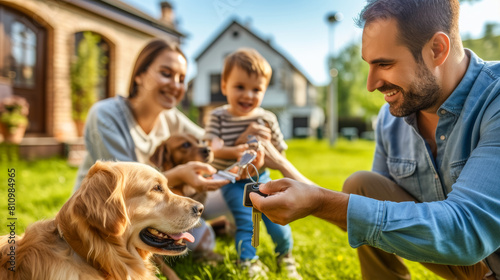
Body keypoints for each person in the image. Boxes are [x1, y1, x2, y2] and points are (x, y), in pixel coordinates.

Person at [250, 0, 500, 279]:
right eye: (370, 64)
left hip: (479, 249)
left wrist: (321, 202)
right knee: (362, 186)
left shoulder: (495, 100)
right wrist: (287, 169)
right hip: (473, 267)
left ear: (436, 49)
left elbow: (466, 232)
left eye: (384, 63)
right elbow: (363, 214)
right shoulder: (390, 119)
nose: (371, 84)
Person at [73, 39, 231, 260]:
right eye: (166, 73)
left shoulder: (170, 117)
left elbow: (210, 142)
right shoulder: (106, 115)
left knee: (238, 193)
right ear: (140, 75)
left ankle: (210, 229)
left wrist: (243, 141)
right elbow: (127, 193)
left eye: (182, 79)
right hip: (106, 214)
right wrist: (180, 174)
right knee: (201, 236)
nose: (176, 85)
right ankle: (203, 232)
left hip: (159, 206)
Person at [203, 48, 301, 279]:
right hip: (231, 181)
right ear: (224, 85)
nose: (248, 95)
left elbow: (279, 154)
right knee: (247, 220)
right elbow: (213, 148)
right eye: (240, 87)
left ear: (264, 90)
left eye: (256, 89)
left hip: (262, 178)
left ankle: (285, 255)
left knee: (277, 221)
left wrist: (263, 153)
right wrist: (238, 148)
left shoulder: (266, 119)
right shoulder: (218, 116)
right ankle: (247, 262)